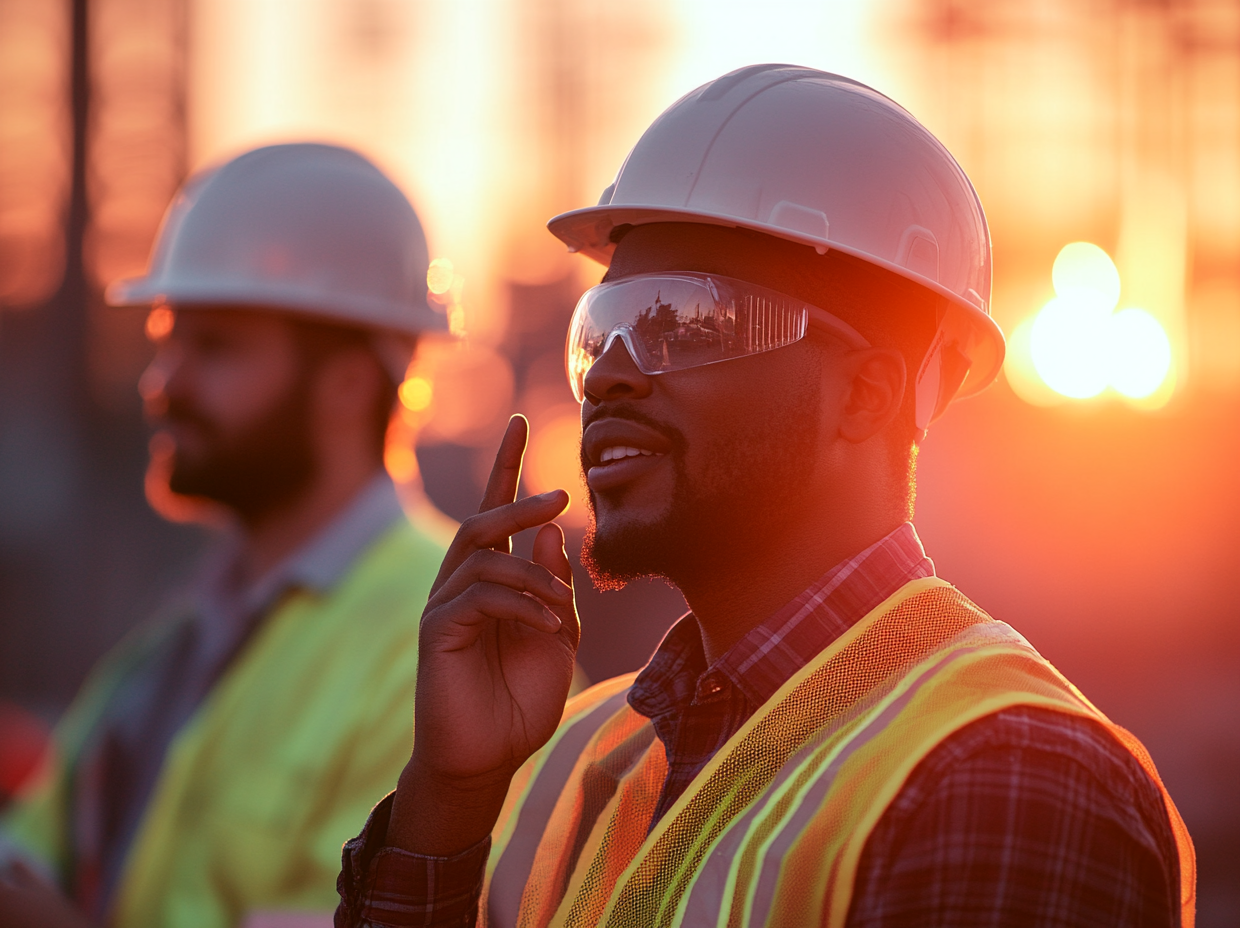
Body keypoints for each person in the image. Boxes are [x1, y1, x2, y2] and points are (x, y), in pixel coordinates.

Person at [332, 66, 1195, 928]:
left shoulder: (1008, 779)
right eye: (601, 330)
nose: (612, 378)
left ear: (864, 396)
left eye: (682, 320)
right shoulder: (574, 758)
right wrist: (448, 803)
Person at [0, 143, 451, 928]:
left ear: (347, 381)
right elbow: (30, 852)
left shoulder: (448, 637)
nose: (161, 383)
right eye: (167, 341)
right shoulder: (176, 639)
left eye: (214, 349)